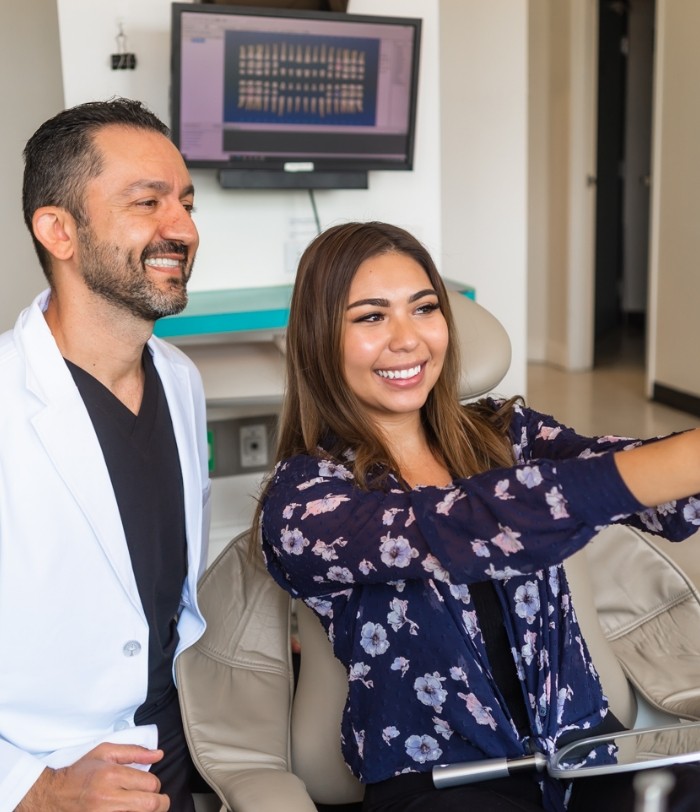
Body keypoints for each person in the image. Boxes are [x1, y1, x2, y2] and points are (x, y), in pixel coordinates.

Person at [256, 221, 700, 812]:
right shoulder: (306, 499)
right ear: (318, 340)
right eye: (370, 317)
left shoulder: (507, 433)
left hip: (584, 755)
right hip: (444, 785)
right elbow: (471, 527)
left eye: (424, 309)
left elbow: (665, 502)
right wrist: (655, 470)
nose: (407, 338)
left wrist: (667, 470)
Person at [0, 98, 211, 811]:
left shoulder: (179, 380)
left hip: (180, 755)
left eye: (184, 202)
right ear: (58, 230)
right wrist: (38, 791)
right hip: (54, 773)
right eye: (147, 202)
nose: (181, 228)